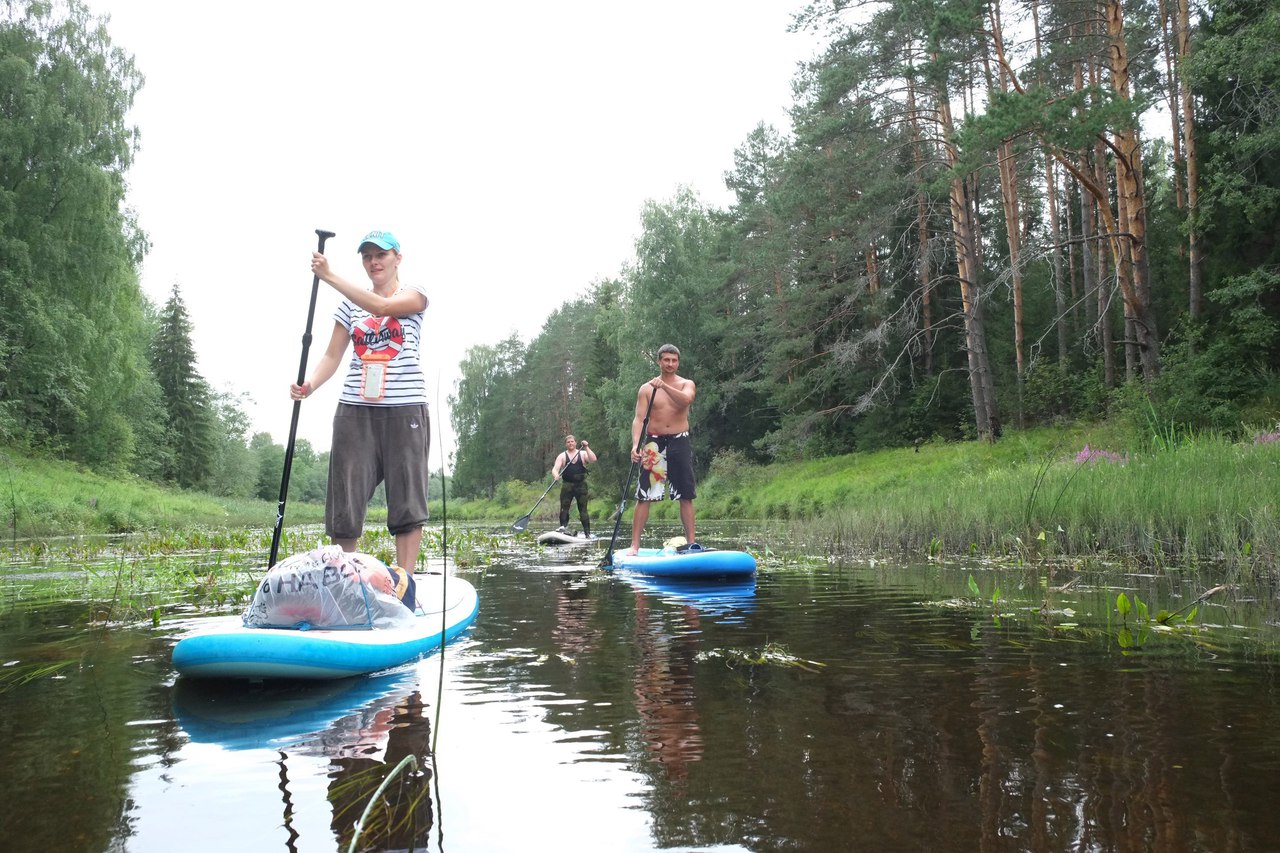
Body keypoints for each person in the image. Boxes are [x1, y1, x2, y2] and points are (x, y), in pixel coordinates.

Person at [288, 230, 430, 585]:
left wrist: (330, 276)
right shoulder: (348, 306)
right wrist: (309, 385)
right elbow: (332, 356)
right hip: (355, 411)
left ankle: (404, 583)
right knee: (345, 500)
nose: (373, 262)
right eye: (366, 256)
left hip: (406, 409)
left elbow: (381, 307)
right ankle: (344, 583)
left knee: (407, 499)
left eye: (380, 254)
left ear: (398, 257)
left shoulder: (415, 294)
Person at [626, 344, 697, 555]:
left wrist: (664, 386)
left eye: (674, 360)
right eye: (666, 360)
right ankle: (634, 545)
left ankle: (691, 543)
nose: (670, 364)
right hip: (653, 444)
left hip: (680, 440)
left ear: (678, 362)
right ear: (659, 361)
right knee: (644, 495)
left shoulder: (686, 384)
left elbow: (687, 400)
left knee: (686, 494)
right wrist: (635, 445)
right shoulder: (646, 388)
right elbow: (638, 419)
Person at [551, 434, 597, 536]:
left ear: (575, 443)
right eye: (568, 442)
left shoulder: (583, 453)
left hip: (581, 486)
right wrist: (556, 475)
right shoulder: (562, 456)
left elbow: (593, 459)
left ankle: (587, 533)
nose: (570, 443)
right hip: (567, 486)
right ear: (565, 444)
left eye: (572, 441)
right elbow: (555, 468)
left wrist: (586, 447)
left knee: (583, 509)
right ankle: (563, 530)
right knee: (564, 508)